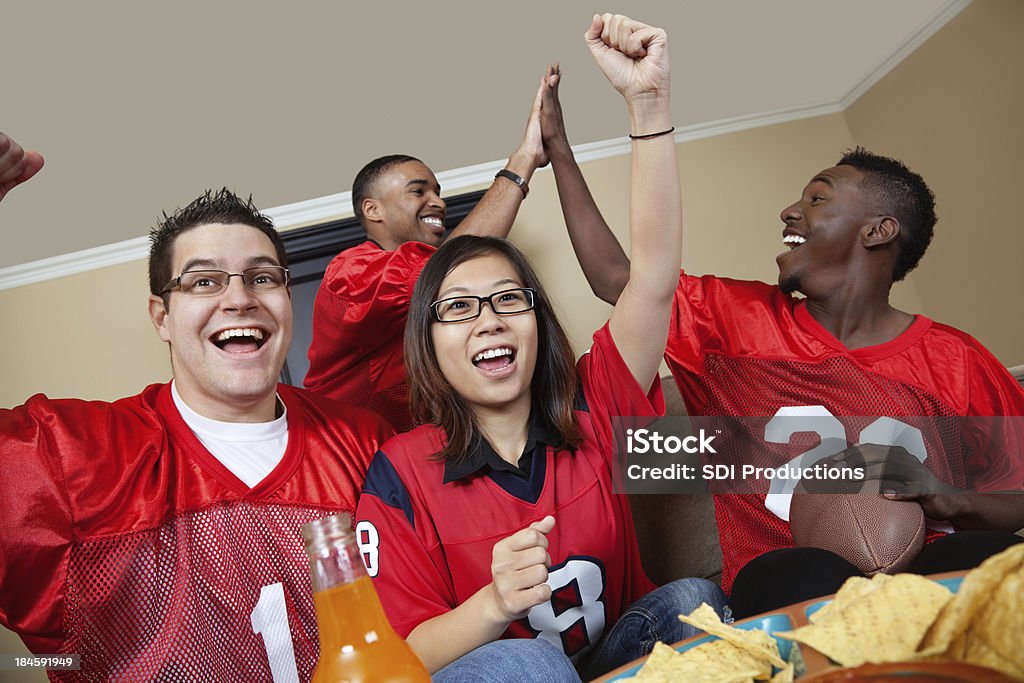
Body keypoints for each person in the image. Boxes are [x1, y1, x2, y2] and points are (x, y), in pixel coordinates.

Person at [540, 79, 1024, 615]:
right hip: (787, 573)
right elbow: (617, 278)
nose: (790, 211)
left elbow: (1017, 494)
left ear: (878, 230)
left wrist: (948, 498)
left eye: (816, 198)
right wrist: (561, 153)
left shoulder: (955, 359)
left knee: (997, 562)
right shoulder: (728, 320)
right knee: (803, 574)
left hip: (931, 561)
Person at [354, 15, 727, 682]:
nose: (490, 320)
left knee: (693, 600)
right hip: (496, 671)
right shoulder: (399, 472)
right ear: (429, 343)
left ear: (538, 322)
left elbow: (652, 283)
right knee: (527, 661)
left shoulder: (593, 406)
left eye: (508, 299)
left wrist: (649, 105)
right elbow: (397, 659)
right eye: (460, 308)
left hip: (608, 660)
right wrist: (494, 602)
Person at [0, 145, 393, 681]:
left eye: (262, 277)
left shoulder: (366, 440)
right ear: (162, 317)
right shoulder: (70, 456)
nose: (239, 299)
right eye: (205, 281)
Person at [304, 70, 552, 433]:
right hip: (342, 458)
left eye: (438, 192)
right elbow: (446, 271)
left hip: (425, 453)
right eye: (418, 191)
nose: (438, 202)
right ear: (373, 210)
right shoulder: (349, 273)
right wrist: (524, 159)